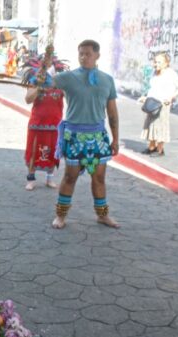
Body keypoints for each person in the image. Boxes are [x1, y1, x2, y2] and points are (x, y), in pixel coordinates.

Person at [50, 39, 120, 229]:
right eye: (81, 53)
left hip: (98, 137)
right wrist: (42, 69)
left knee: (99, 178)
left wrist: (115, 139)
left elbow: (112, 112)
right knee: (69, 177)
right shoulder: (68, 77)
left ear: (97, 55)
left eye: (88, 54)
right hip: (74, 137)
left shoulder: (107, 80)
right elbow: (45, 82)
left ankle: (102, 215)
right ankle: (61, 216)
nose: (83, 57)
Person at [22, 56, 65, 191]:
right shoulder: (35, 81)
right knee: (34, 150)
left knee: (53, 150)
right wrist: (39, 88)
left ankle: (49, 178)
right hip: (37, 122)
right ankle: (31, 178)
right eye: (45, 65)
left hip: (55, 123)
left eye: (50, 65)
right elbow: (28, 99)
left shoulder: (61, 82)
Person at [139, 52, 178, 157]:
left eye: (159, 62)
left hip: (163, 103)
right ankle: (151, 147)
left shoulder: (170, 73)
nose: (156, 64)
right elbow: (153, 88)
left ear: (166, 63)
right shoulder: (154, 73)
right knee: (150, 124)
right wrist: (145, 97)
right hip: (152, 102)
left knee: (161, 126)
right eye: (155, 61)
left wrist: (171, 97)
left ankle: (159, 150)